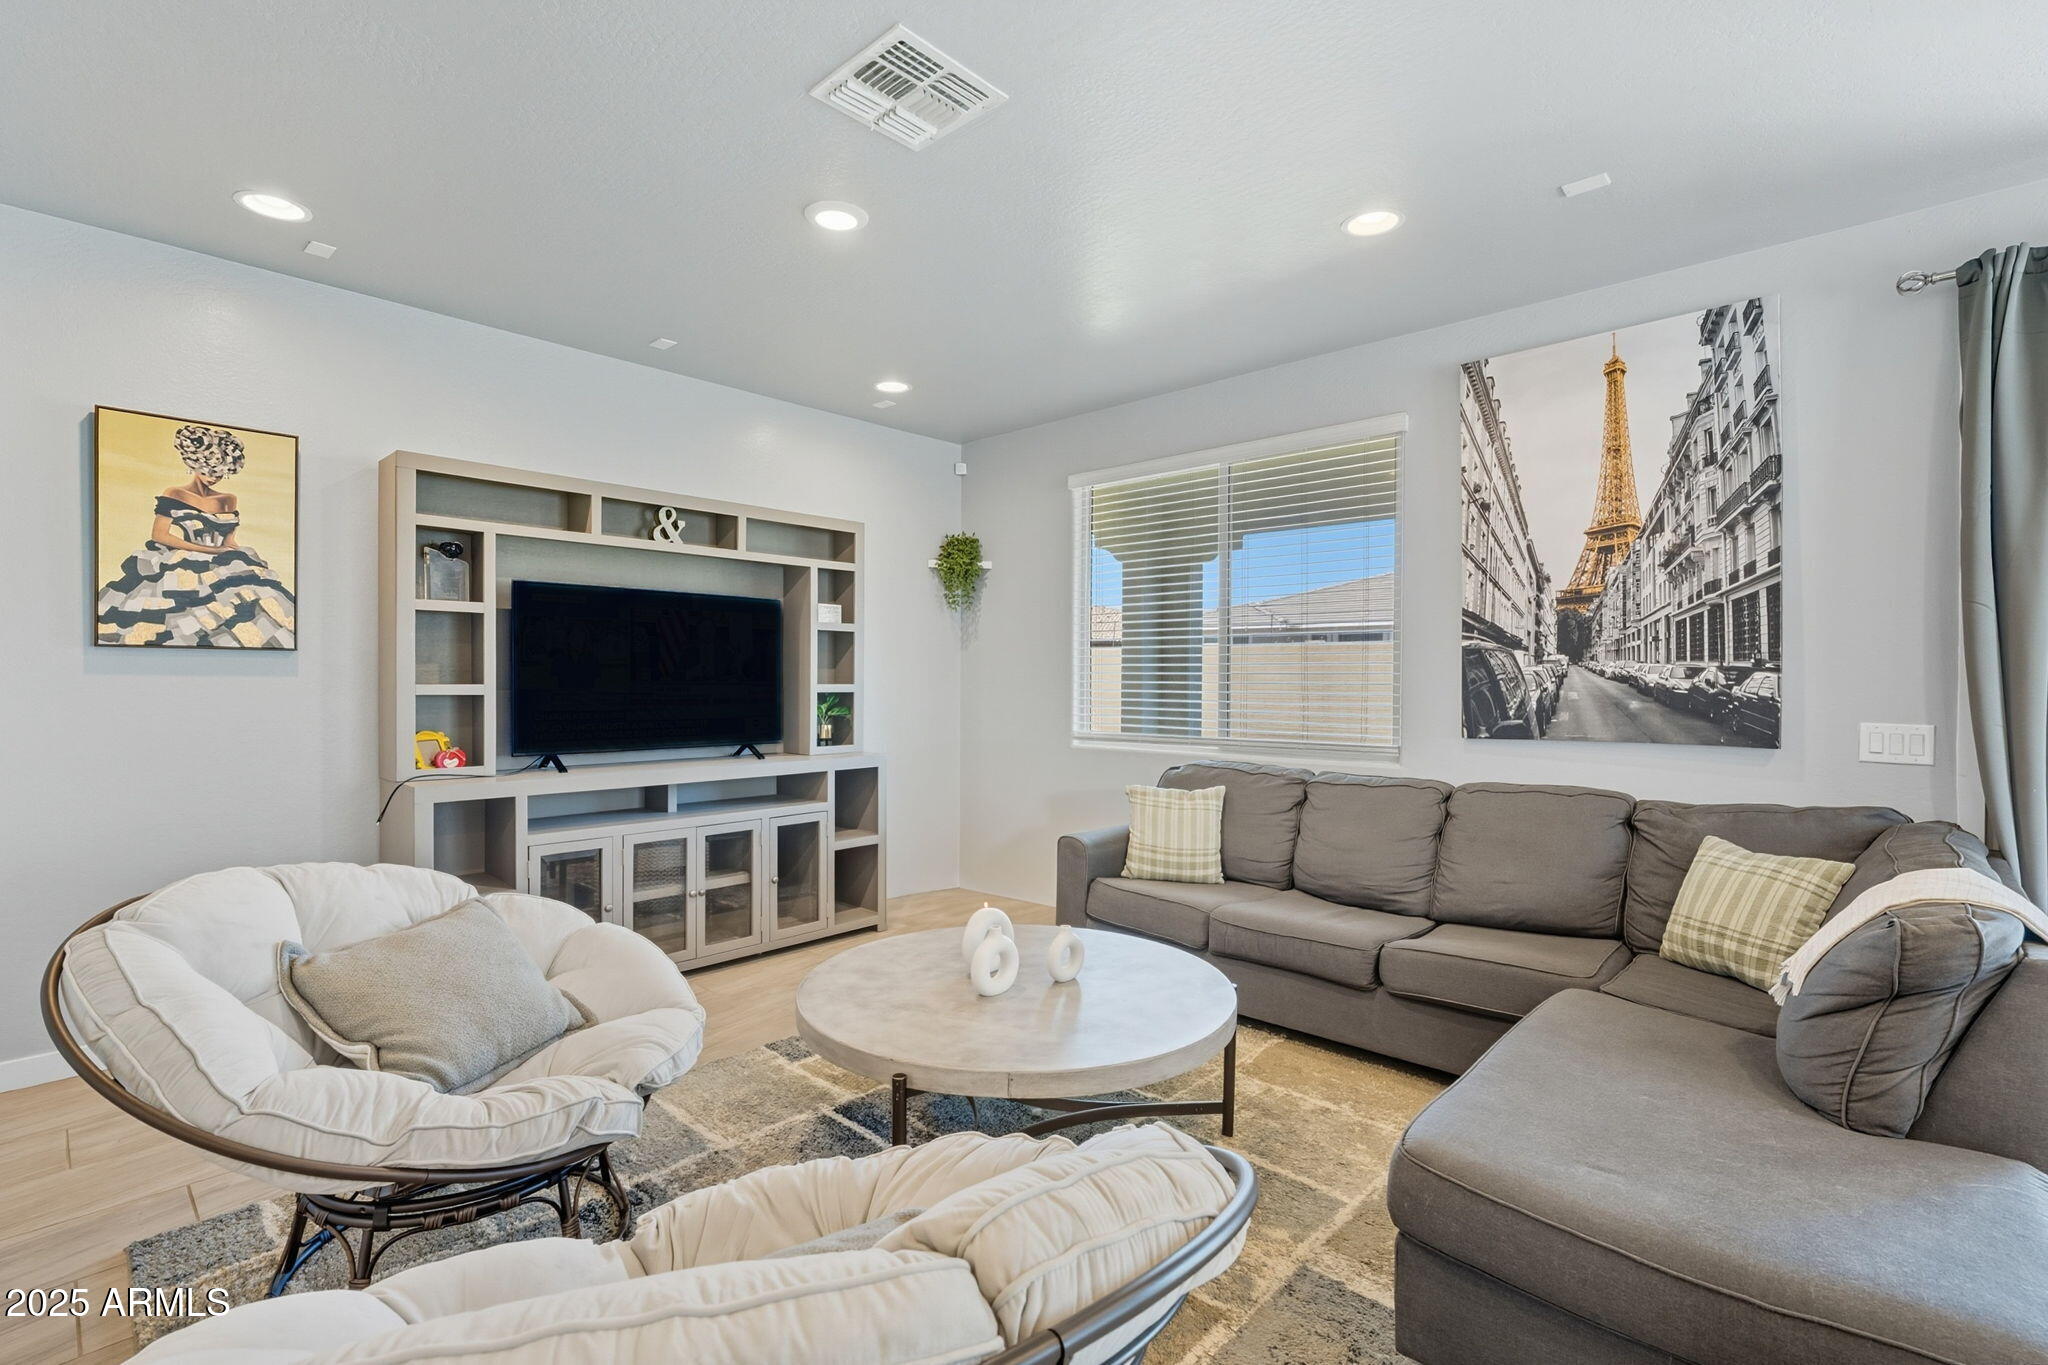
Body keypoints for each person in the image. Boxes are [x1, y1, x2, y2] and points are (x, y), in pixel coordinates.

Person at [96, 424, 297, 647]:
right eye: (208, 470)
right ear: (194, 464)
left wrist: (240, 557)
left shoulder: (228, 499)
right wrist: (210, 550)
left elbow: (229, 541)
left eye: (219, 472)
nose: (213, 477)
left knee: (253, 605)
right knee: (176, 618)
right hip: (185, 562)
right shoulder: (175, 494)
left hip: (223, 560)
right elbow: (160, 535)